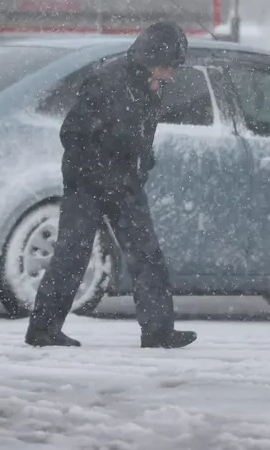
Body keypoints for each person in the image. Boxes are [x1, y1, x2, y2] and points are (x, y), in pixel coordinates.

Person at [26, 21, 197, 350]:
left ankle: (158, 332)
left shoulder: (151, 86)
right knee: (72, 255)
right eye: (168, 66)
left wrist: (141, 164)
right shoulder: (107, 80)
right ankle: (43, 330)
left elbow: (138, 136)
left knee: (147, 255)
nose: (171, 75)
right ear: (150, 57)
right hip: (88, 183)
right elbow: (72, 133)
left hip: (125, 183)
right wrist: (97, 171)